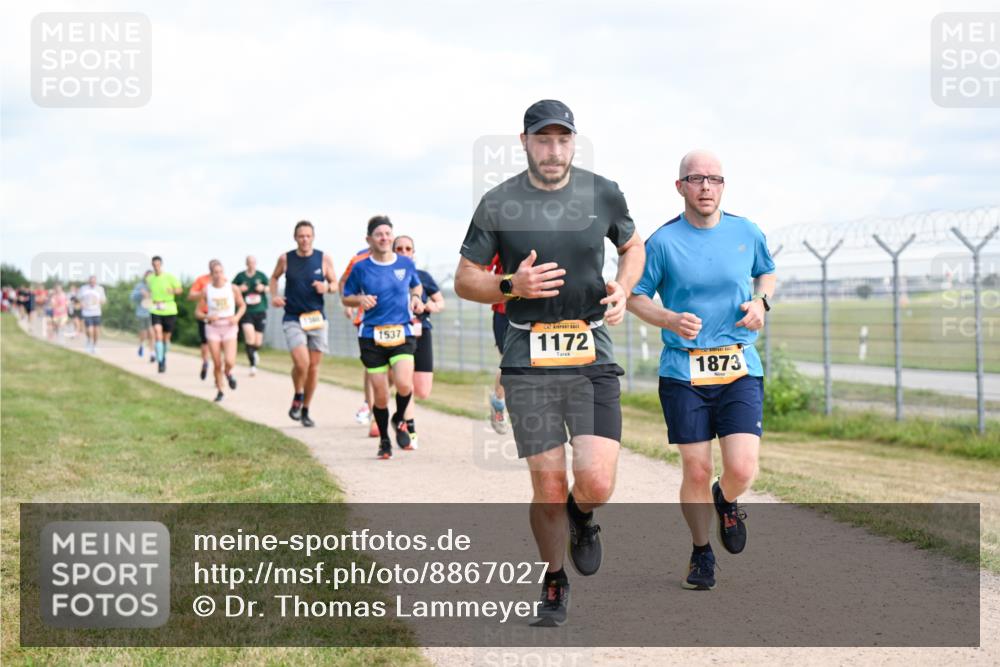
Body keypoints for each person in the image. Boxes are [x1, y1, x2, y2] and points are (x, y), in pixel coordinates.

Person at [453, 100, 644, 626]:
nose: (553, 150)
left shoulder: (603, 191)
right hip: (527, 358)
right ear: (525, 142)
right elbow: (466, 278)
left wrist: (624, 291)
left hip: (590, 352)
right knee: (549, 485)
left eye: (563, 140)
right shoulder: (499, 202)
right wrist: (512, 284)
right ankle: (554, 579)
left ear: (574, 142)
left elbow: (633, 246)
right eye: (543, 139)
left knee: (597, 483)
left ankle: (583, 517)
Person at [627, 149, 776, 591]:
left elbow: (765, 273)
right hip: (683, 372)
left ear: (724, 185)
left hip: (738, 365)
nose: (706, 187)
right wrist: (669, 319)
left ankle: (726, 500)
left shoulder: (745, 232)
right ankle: (701, 551)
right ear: (681, 187)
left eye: (714, 179)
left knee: (743, 469)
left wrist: (761, 302)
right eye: (696, 179)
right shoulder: (662, 242)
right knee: (695, 469)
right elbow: (635, 297)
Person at [342, 216, 423, 460]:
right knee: (380, 395)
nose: (384, 237)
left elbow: (416, 286)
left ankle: (399, 419)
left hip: (402, 332)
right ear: (369, 239)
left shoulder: (406, 264)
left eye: (388, 233)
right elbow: (347, 297)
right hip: (371, 336)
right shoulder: (361, 268)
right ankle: (385, 441)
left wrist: (417, 298)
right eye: (379, 234)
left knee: (405, 384)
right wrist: (359, 300)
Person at [270, 220, 338, 428]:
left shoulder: (323, 258)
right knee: (302, 364)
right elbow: (274, 278)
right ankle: (298, 393)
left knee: (314, 367)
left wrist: (325, 287)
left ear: (313, 237)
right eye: (301, 236)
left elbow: (335, 285)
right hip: (293, 317)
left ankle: (305, 409)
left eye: (308, 236)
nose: (305, 239)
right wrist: (274, 295)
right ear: (295, 237)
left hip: (316, 318)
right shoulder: (286, 258)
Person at [392, 234, 445, 448]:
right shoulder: (387, 275)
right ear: (393, 252)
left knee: (422, 390)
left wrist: (432, 306)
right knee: (406, 382)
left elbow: (440, 301)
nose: (404, 252)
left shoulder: (423, 276)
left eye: (408, 249)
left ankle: (400, 415)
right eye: (400, 249)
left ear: (413, 253)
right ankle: (409, 427)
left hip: (421, 330)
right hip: (398, 334)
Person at [196, 260, 247, 401]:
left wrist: (236, 317)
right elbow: (198, 312)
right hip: (213, 328)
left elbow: (242, 306)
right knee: (217, 362)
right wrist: (207, 316)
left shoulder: (232, 288)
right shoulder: (207, 290)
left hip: (229, 326)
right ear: (211, 274)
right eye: (215, 273)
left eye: (220, 272)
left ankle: (228, 373)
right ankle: (220, 391)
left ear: (224, 273)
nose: (218, 275)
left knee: (230, 361)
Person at [339, 246, 377, 434]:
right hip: (367, 318)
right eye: (378, 235)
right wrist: (348, 303)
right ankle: (369, 405)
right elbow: (344, 282)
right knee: (372, 365)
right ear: (369, 238)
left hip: (397, 319)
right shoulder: (358, 260)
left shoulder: (397, 255)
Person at [233, 255, 270, 376]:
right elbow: (230, 288)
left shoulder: (261, 276)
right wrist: (239, 288)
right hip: (246, 311)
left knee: (257, 342)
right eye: (249, 262)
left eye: (253, 262)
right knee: (250, 337)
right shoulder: (240, 276)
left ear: (256, 263)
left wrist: (263, 288)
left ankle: (254, 352)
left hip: (260, 310)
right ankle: (252, 365)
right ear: (246, 263)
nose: (251, 264)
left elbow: (271, 287)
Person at [147, 256, 183, 373]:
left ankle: (164, 355)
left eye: (158, 265)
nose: (156, 267)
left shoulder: (169, 277)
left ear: (161, 265)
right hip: (155, 309)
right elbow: (148, 291)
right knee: (158, 334)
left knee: (166, 338)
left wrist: (172, 291)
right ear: (152, 265)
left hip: (169, 309)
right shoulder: (150, 279)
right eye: (154, 265)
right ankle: (160, 360)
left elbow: (180, 290)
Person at [488, 254, 509, 434]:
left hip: (539, 311)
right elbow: (480, 272)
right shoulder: (502, 237)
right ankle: (498, 403)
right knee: (509, 362)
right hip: (505, 312)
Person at [188, 270, 213, 381]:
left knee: (216, 343)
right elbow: (191, 296)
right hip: (204, 314)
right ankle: (205, 362)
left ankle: (217, 366)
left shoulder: (224, 282)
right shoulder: (202, 280)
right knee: (205, 342)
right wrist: (201, 293)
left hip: (218, 316)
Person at [130, 270, 157, 362]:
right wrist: (140, 293)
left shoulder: (155, 285)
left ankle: (152, 353)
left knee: (152, 333)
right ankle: (141, 344)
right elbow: (132, 297)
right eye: (148, 276)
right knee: (144, 334)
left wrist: (151, 295)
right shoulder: (139, 286)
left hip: (153, 312)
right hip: (141, 313)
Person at [78, 276, 106, 353]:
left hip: (96, 312)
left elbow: (104, 300)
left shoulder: (100, 289)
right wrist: (81, 304)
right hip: (87, 312)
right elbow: (79, 298)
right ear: (88, 282)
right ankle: (89, 341)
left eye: (93, 282)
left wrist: (99, 301)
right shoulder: (83, 288)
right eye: (91, 282)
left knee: (96, 331)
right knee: (89, 330)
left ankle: (94, 345)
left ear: (96, 282)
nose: (92, 283)